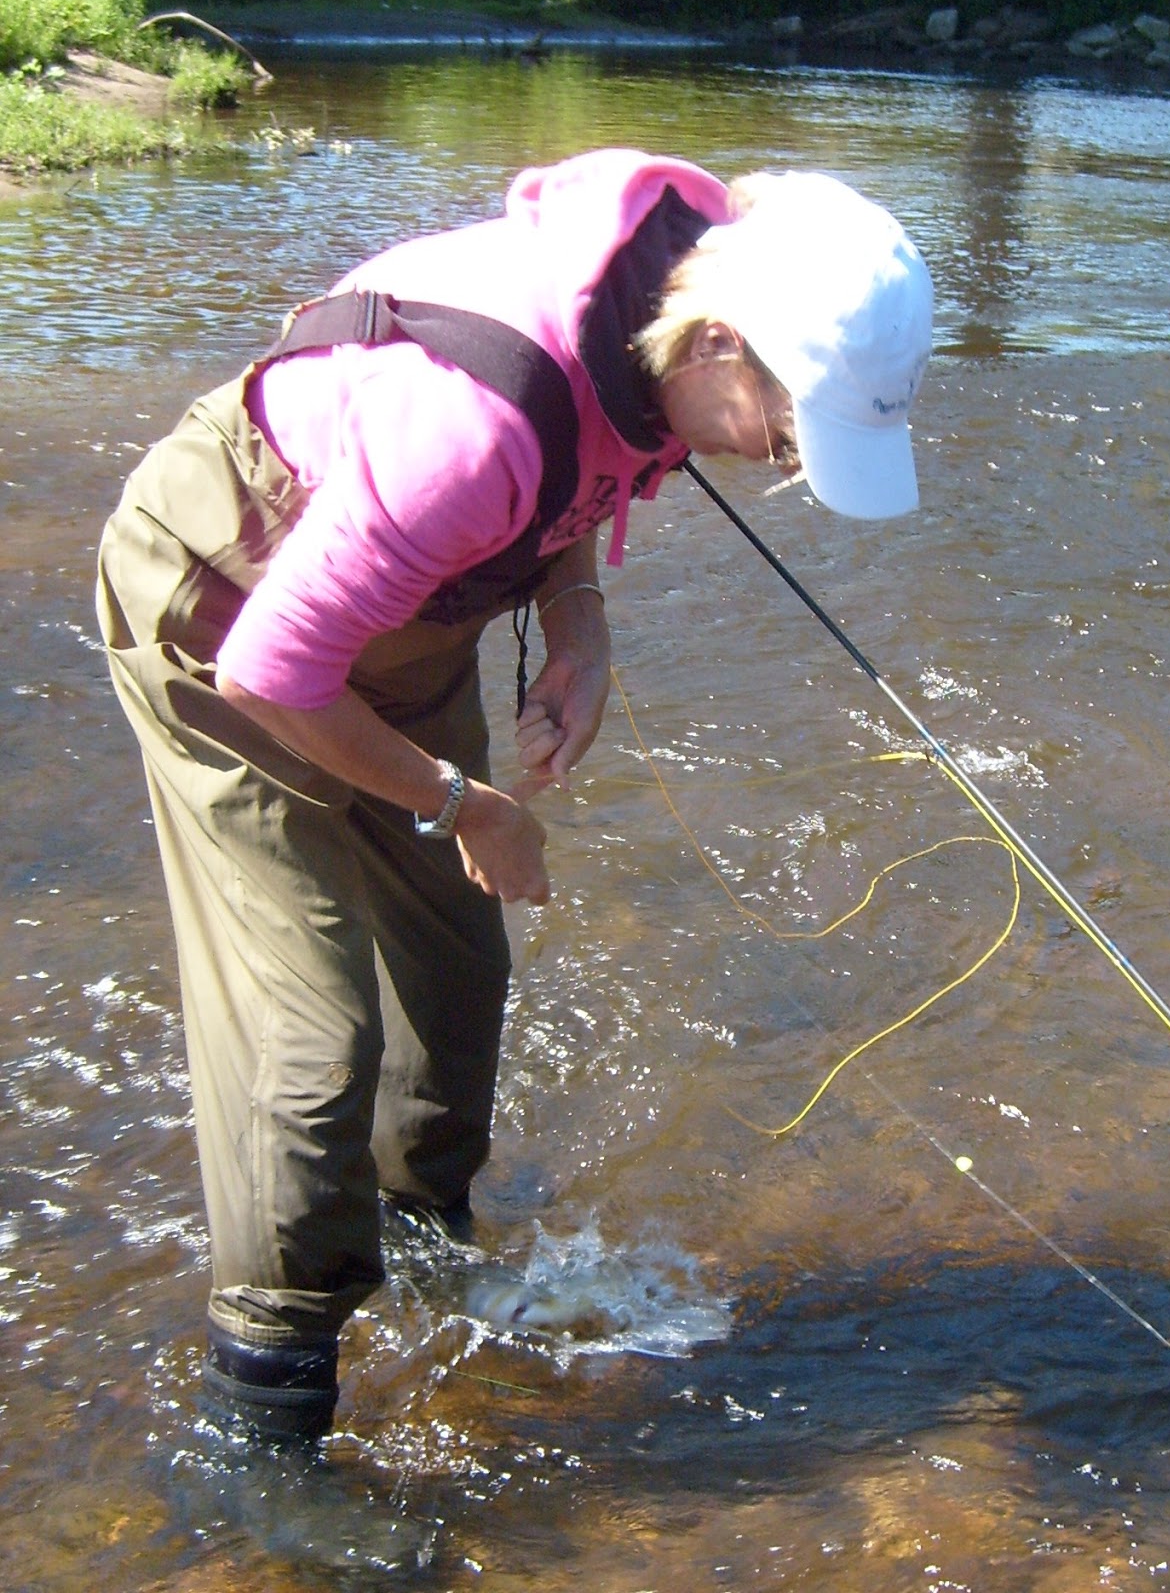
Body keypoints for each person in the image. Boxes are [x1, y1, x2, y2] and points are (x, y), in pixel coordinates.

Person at [96, 148, 932, 1442]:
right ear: (716, 341)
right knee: (314, 1050)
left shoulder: (655, 326)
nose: (783, 458)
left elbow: (592, 464)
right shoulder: (469, 430)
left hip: (391, 615)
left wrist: (581, 618)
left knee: (454, 966)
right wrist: (462, 803)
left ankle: (424, 1244)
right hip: (224, 619)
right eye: (788, 423)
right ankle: (264, 1416)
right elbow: (275, 668)